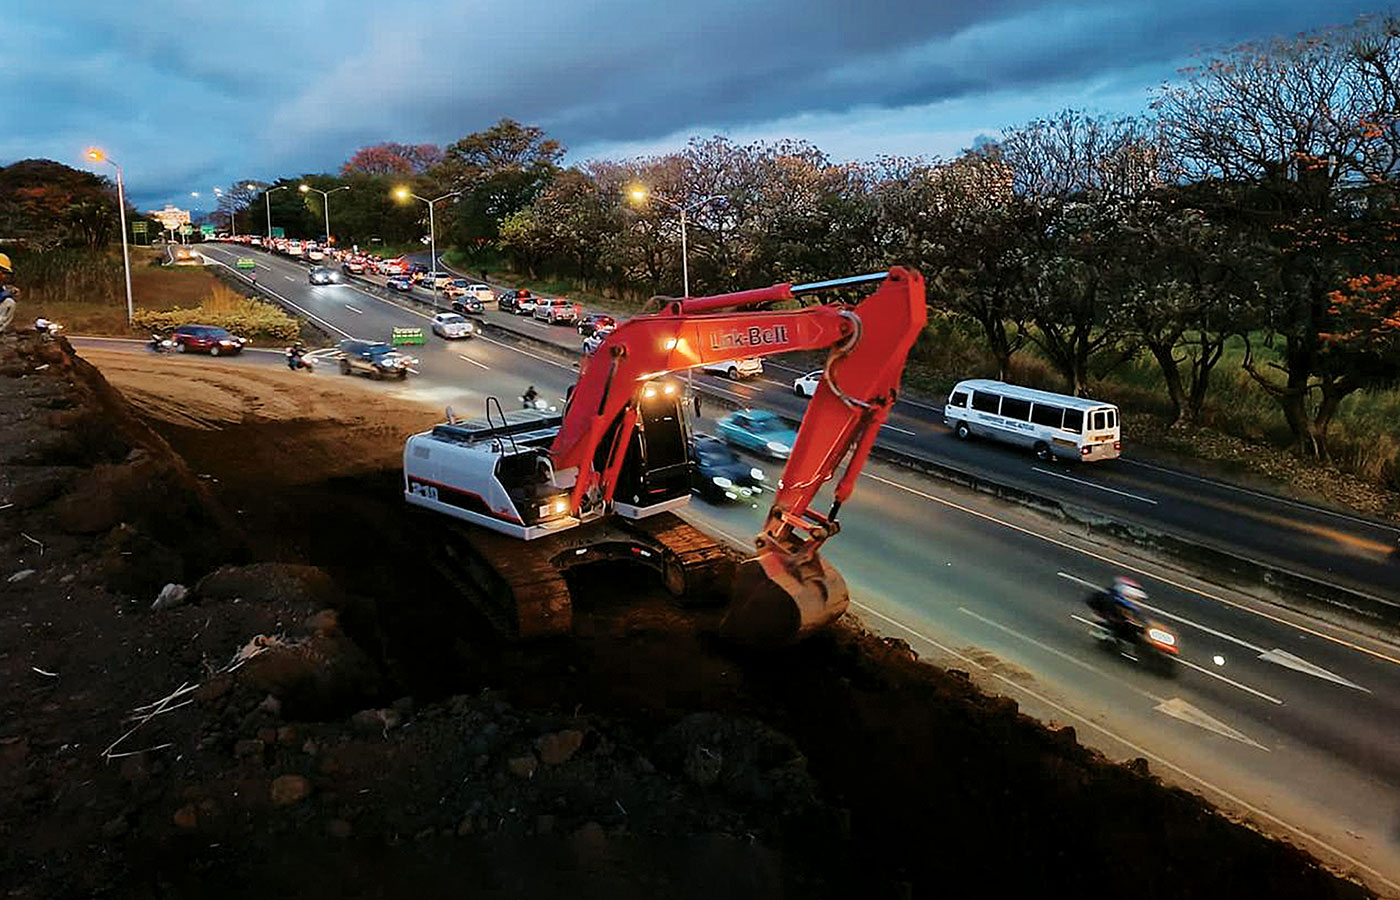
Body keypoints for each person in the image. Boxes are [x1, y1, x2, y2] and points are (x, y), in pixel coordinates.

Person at [1087, 576, 1148, 642]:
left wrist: (1144, 620)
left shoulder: (1121, 600)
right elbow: (1115, 614)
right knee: (1125, 628)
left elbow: (1133, 610)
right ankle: (1112, 636)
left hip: (1112, 615)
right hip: (1109, 617)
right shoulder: (1111, 600)